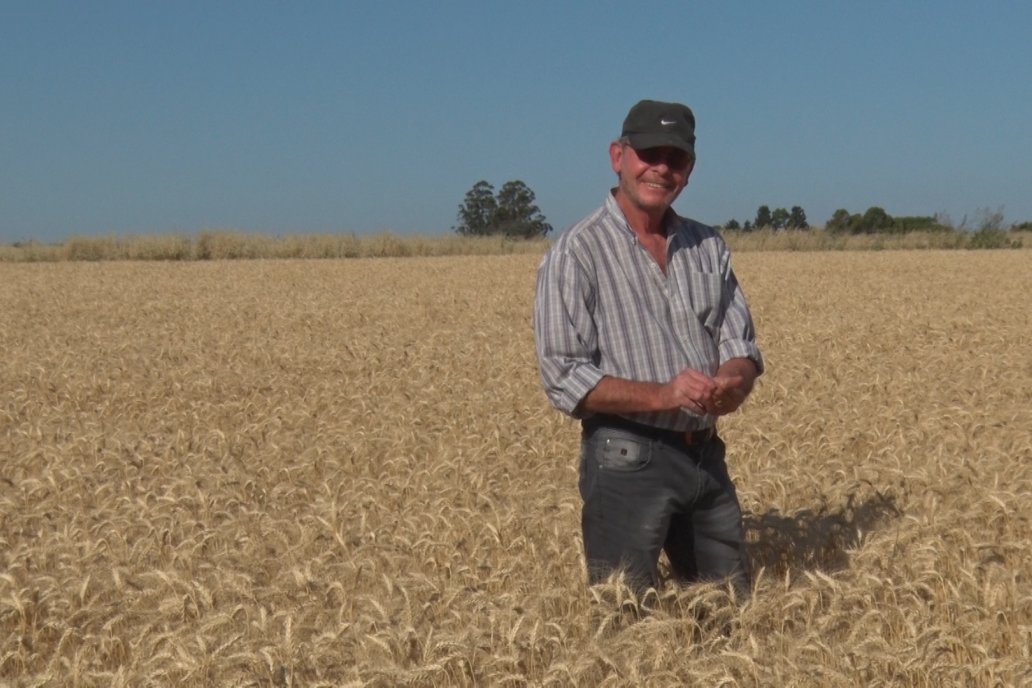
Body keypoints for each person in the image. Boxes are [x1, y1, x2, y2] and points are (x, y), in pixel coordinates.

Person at [533, 99, 764, 598]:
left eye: (675, 159)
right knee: (626, 623)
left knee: (729, 617)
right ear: (618, 156)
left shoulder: (708, 246)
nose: (661, 167)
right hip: (625, 463)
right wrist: (666, 395)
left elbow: (738, 341)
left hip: (705, 458)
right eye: (648, 153)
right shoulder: (577, 252)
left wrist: (733, 383)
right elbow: (563, 375)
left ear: (690, 171)